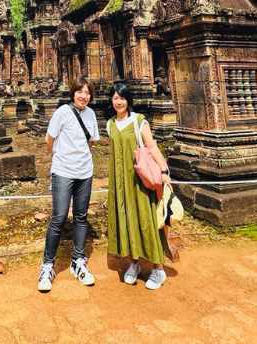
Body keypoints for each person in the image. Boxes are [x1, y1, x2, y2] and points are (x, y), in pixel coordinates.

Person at [106, 82, 172, 290]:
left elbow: (151, 147)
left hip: (138, 180)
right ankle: (134, 262)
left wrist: (163, 170)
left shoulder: (139, 122)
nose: (119, 102)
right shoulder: (110, 125)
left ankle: (158, 268)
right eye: (115, 98)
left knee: (145, 219)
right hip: (119, 182)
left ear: (129, 100)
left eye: (122, 98)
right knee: (126, 220)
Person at [38, 77, 100, 292]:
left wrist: (81, 158)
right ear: (73, 93)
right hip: (63, 171)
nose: (83, 96)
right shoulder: (63, 112)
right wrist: (59, 157)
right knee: (59, 217)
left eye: (87, 92)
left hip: (85, 172)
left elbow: (91, 141)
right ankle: (47, 265)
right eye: (80, 92)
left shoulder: (91, 114)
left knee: (81, 217)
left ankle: (78, 261)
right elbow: (49, 139)